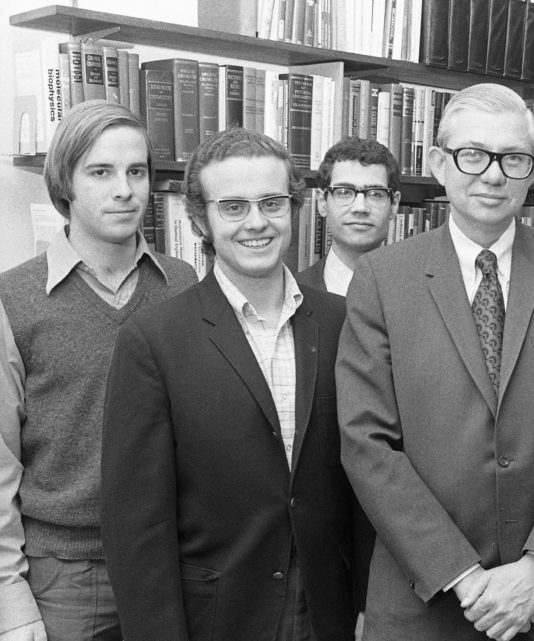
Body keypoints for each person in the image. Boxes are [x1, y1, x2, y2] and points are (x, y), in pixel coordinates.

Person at [336, 83, 534, 641]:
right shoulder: (382, 279)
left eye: (513, 158)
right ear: (438, 163)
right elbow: (366, 442)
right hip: (425, 604)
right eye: (472, 155)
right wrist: (462, 575)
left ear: (532, 170)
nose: (493, 175)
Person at [100, 128, 364, 641]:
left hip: (329, 613)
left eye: (272, 202)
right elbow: (137, 525)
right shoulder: (154, 341)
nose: (257, 223)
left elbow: (365, 481)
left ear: (296, 207)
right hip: (215, 618)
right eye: (234, 207)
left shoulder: (344, 323)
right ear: (200, 218)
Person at [0, 100, 197, 641]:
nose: (124, 189)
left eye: (137, 172)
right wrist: (10, 602)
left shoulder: (184, 286)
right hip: (67, 576)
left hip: (178, 561)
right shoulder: (12, 298)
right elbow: (0, 465)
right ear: (64, 183)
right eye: (101, 172)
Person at [297, 137, 400, 296]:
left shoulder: (418, 294)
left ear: (394, 205)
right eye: (344, 192)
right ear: (322, 202)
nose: (360, 208)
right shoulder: (291, 295)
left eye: (375, 194)